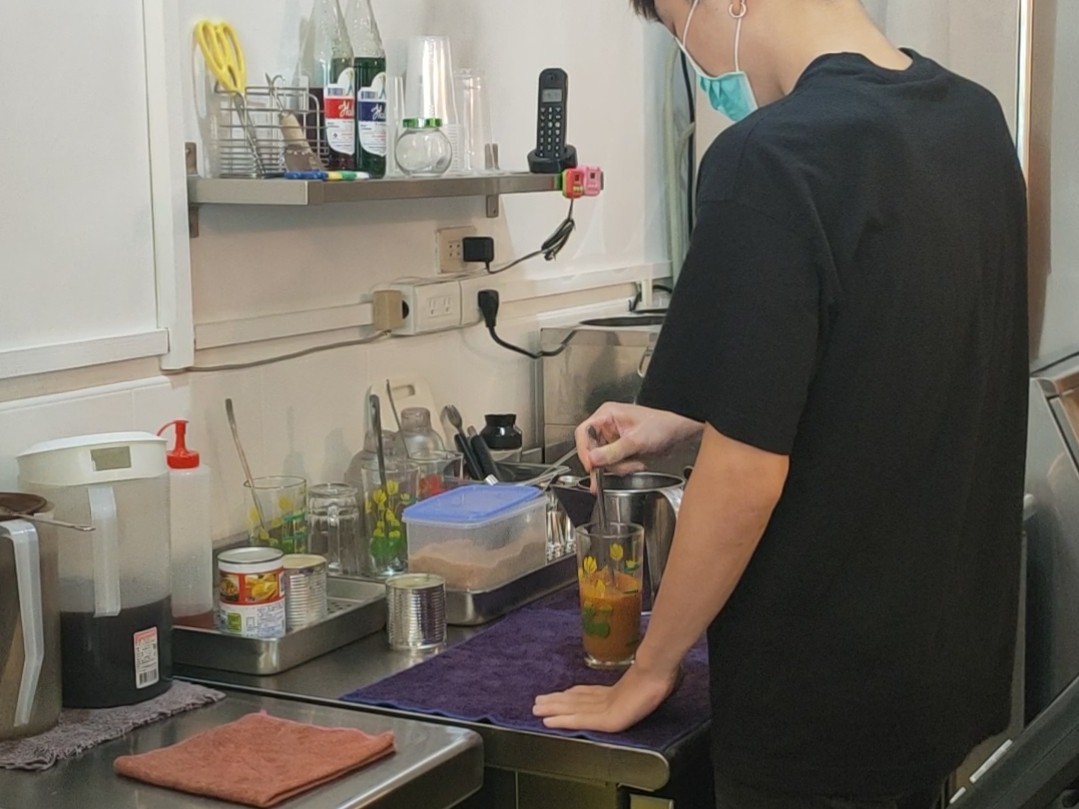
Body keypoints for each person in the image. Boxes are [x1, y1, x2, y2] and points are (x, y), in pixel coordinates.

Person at [532, 1, 1029, 807]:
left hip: (816, 703)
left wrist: (648, 669)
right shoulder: (971, 121)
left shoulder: (770, 156)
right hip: (930, 675)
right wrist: (691, 417)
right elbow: (888, 355)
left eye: (678, 29)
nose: (699, 64)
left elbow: (744, 479)